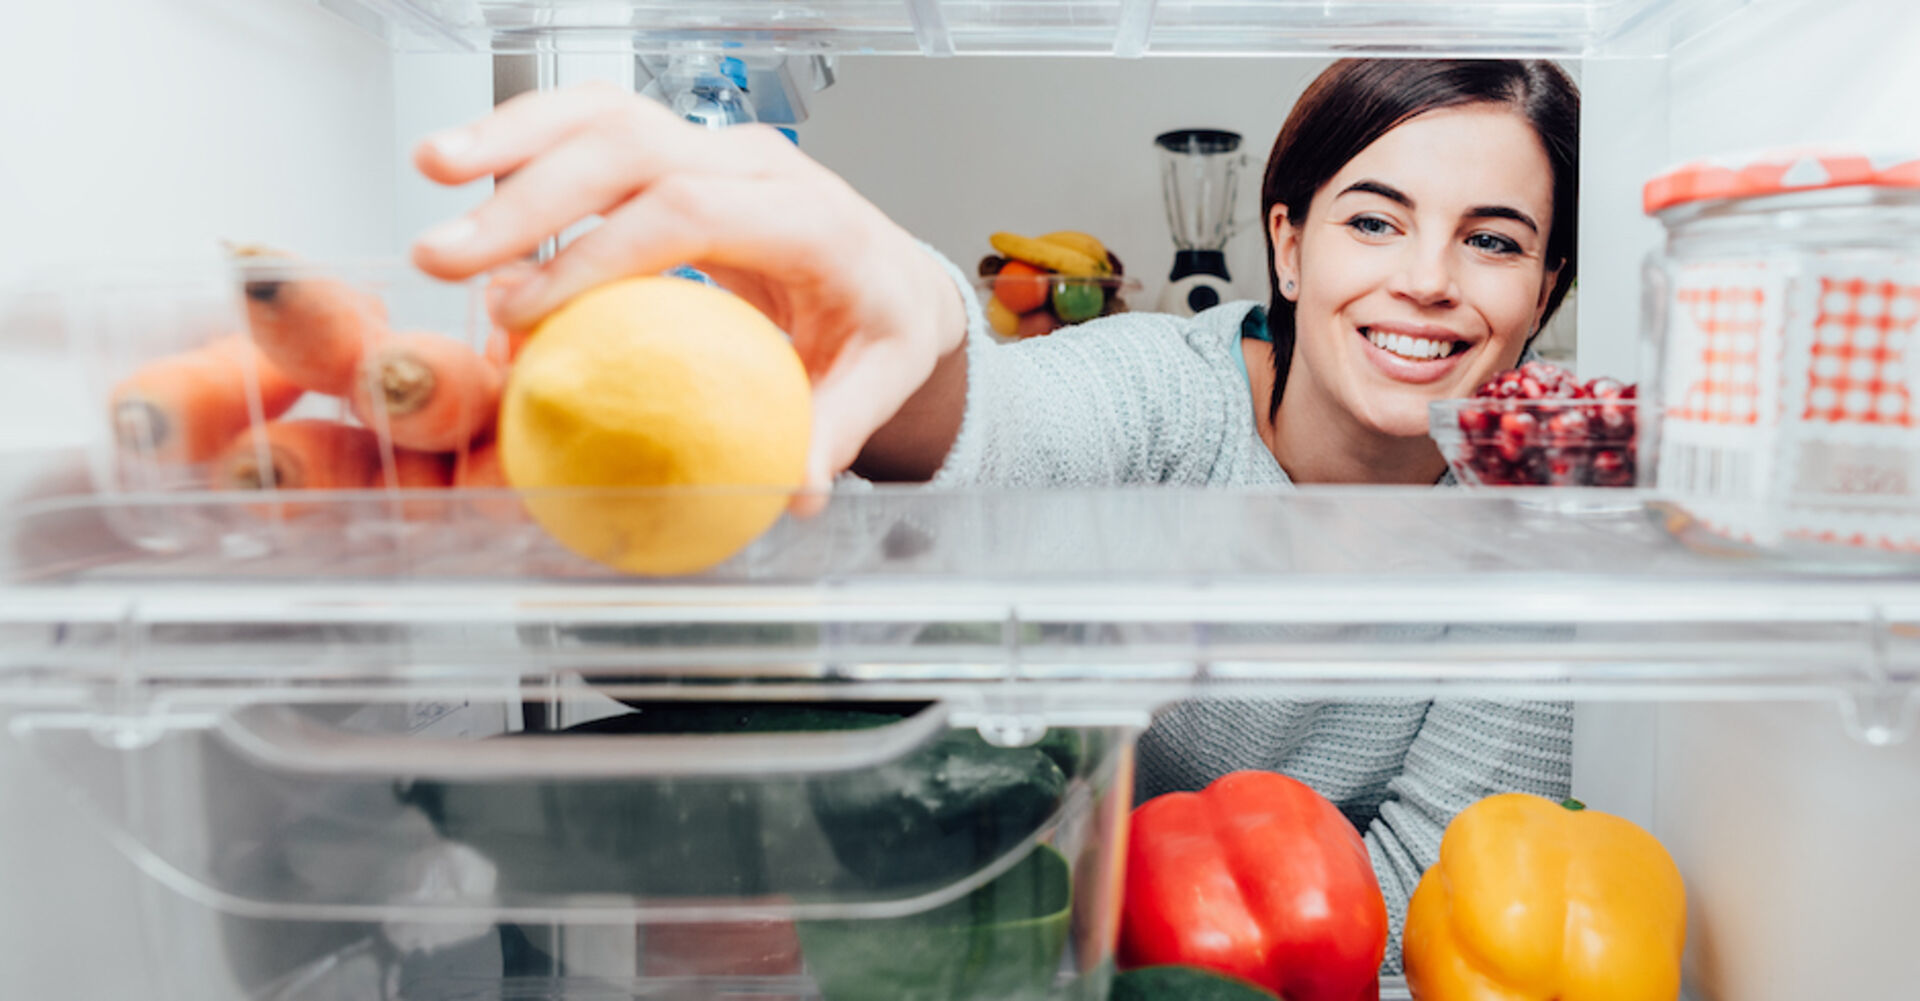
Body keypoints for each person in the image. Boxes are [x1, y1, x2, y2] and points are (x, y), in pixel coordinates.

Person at [411, 58, 1580, 969]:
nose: (1428, 276)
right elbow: (1002, 427)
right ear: (1286, 243)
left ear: (1545, 294)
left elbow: (1444, 894)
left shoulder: (1534, 529)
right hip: (1018, 925)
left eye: (1492, 240)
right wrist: (910, 309)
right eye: (1374, 220)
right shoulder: (1167, 386)